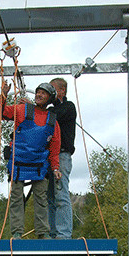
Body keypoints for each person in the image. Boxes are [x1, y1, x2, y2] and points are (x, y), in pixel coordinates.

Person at [0, 79, 61, 239]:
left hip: (39, 165)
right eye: (38, 92)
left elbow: (54, 148)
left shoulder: (52, 121)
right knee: (16, 197)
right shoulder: (22, 110)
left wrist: (56, 168)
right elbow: (0, 113)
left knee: (41, 199)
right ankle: (17, 232)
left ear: (49, 98)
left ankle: (42, 233)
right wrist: (3, 95)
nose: (39, 95)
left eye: (43, 93)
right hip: (18, 162)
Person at [46, 77, 77, 239]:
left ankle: (63, 234)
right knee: (50, 196)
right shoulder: (51, 110)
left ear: (62, 90)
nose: (49, 92)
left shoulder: (68, 107)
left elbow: (51, 116)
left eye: (52, 89)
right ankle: (53, 233)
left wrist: (35, 108)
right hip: (50, 157)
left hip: (62, 155)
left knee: (60, 194)